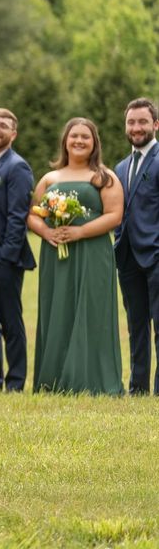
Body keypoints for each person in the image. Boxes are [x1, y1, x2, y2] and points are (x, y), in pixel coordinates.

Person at [28, 118, 124, 395]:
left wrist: (80, 233)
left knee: (91, 311)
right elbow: (33, 215)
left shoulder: (104, 177)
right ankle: (55, 378)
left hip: (93, 253)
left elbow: (115, 216)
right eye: (74, 136)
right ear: (65, 141)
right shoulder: (50, 178)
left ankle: (91, 379)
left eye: (85, 137)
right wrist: (46, 233)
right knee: (57, 308)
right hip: (56, 254)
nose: (79, 141)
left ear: (95, 143)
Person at [0, 109, 36, 392]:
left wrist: (6, 255)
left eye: (3, 125)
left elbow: (18, 216)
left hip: (4, 257)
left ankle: (15, 381)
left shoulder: (18, 167)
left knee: (10, 321)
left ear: (13, 133)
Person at [114, 98, 159, 395]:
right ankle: (138, 388)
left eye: (142, 121)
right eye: (131, 122)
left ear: (155, 124)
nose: (136, 127)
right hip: (127, 257)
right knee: (136, 326)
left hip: (156, 256)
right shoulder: (120, 166)